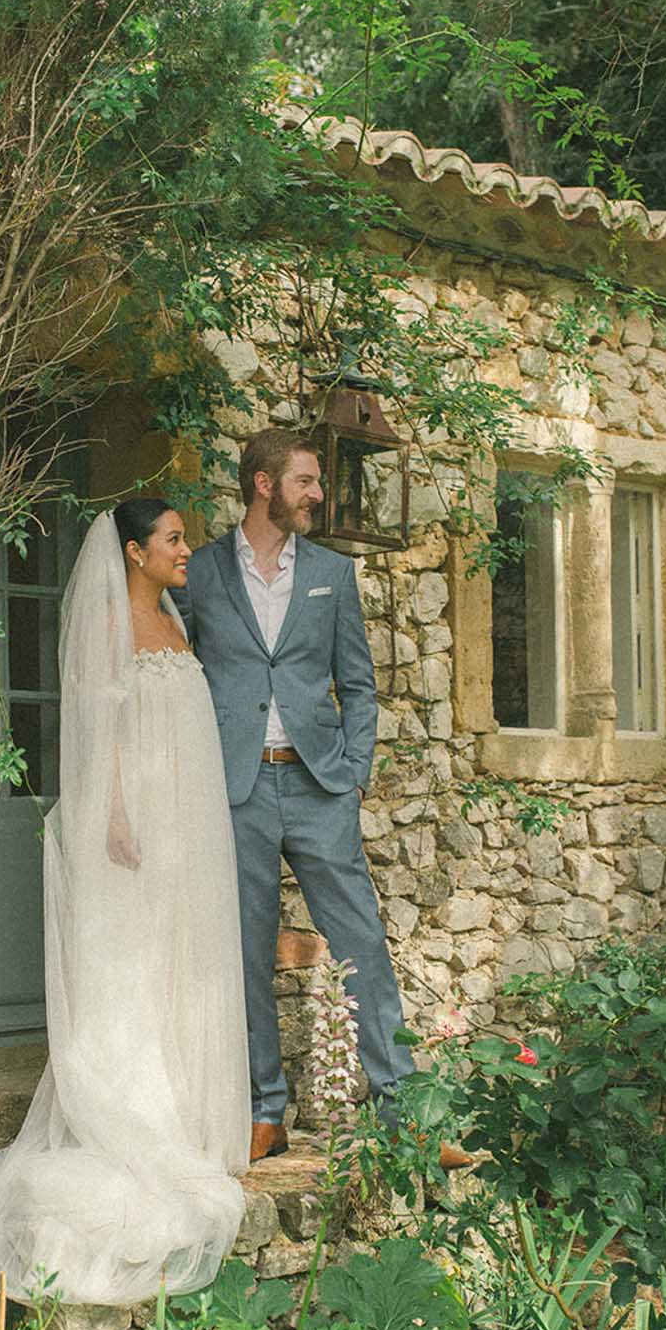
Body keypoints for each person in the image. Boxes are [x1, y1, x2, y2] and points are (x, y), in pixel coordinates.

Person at [0, 501, 248, 1306]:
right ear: (133, 552)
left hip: (184, 825)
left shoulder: (176, 622)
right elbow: (95, 730)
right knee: (132, 964)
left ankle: (190, 1116)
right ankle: (138, 1116)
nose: (187, 551)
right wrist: (113, 814)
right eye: (174, 540)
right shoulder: (107, 627)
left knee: (180, 959)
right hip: (131, 826)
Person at [174, 427, 414, 1162]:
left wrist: (353, 776)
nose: (318, 494)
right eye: (306, 481)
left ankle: (404, 1110)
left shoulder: (332, 575)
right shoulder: (205, 572)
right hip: (236, 787)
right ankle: (265, 1111)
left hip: (317, 784)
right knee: (245, 951)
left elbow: (360, 685)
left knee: (362, 942)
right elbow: (180, 680)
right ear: (264, 485)